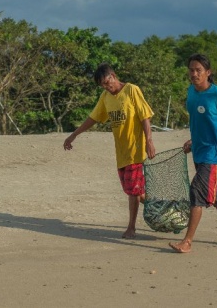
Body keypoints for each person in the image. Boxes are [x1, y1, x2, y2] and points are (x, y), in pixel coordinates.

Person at [63, 63, 156, 239]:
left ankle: (131, 228)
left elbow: (145, 115)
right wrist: (74, 135)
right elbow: (93, 118)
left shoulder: (131, 90)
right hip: (121, 152)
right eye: (103, 85)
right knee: (135, 191)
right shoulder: (106, 97)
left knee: (133, 191)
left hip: (135, 150)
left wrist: (149, 141)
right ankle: (161, 207)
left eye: (108, 82)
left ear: (113, 76)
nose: (107, 86)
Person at [169, 53, 217, 253]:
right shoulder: (191, 92)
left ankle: (187, 241)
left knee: (197, 190)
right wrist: (193, 141)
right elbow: (199, 123)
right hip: (200, 150)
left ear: (208, 73)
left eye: (198, 70)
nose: (194, 74)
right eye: (191, 70)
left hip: (215, 152)